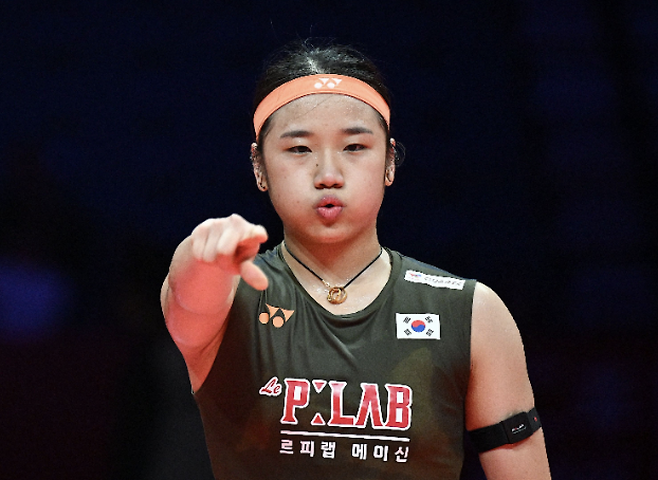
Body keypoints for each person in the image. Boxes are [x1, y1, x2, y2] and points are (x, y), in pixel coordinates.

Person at [161, 40, 551, 479]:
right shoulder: (230, 297)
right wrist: (201, 254)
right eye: (299, 149)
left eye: (354, 147)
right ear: (259, 166)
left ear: (389, 161)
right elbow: (187, 296)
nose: (328, 175)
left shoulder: (473, 313)